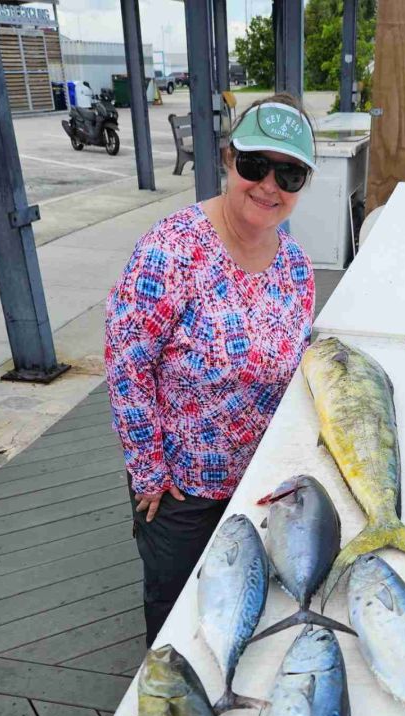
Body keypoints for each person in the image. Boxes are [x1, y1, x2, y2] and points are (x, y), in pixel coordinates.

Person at [104, 93, 317, 646]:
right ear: (228, 158)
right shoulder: (170, 250)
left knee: (246, 602)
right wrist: (149, 472)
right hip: (182, 487)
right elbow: (126, 367)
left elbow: (297, 361)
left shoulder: (296, 265)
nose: (269, 185)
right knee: (175, 612)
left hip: (262, 481)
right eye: (255, 164)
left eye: (289, 174)